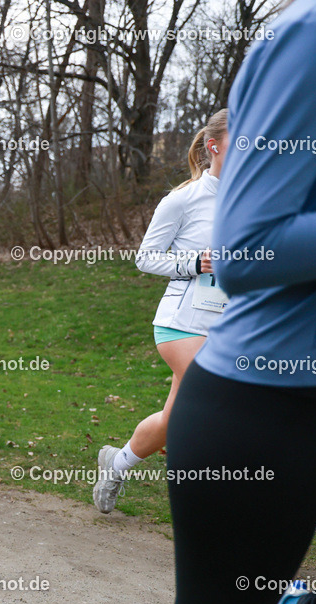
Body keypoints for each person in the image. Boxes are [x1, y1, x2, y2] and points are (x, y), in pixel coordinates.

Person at [119, 3, 316, 604]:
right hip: (232, 356)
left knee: (176, 410)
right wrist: (196, 262)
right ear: (214, 144)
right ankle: (124, 461)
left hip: (243, 345)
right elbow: (220, 253)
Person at [92, 109, 229, 514]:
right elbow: (146, 257)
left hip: (230, 326)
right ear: (213, 146)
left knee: (173, 419)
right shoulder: (184, 199)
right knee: (232, 400)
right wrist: (195, 263)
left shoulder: (256, 202)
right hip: (182, 325)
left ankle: (116, 464)